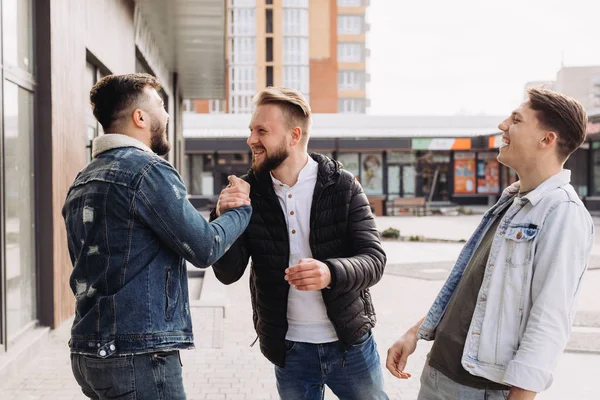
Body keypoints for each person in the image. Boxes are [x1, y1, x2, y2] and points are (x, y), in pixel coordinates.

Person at [386, 88, 594, 400]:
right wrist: (415, 332)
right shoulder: (513, 199)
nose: (502, 125)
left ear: (546, 140)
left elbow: (549, 322)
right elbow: (471, 286)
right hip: (438, 376)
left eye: (516, 120)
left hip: (476, 391)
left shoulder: (562, 212)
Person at [62, 73, 252, 400]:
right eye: (161, 106)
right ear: (140, 117)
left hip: (87, 353)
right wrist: (242, 208)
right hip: (137, 354)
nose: (166, 115)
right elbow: (205, 247)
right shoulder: (148, 171)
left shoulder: (82, 180)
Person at [211, 87, 388, 400]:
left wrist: (330, 273)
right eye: (251, 130)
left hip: (350, 345)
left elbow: (374, 260)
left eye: (262, 131)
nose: (251, 140)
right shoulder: (247, 192)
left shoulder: (342, 185)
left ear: (294, 135)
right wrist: (222, 218)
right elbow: (228, 273)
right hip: (290, 351)